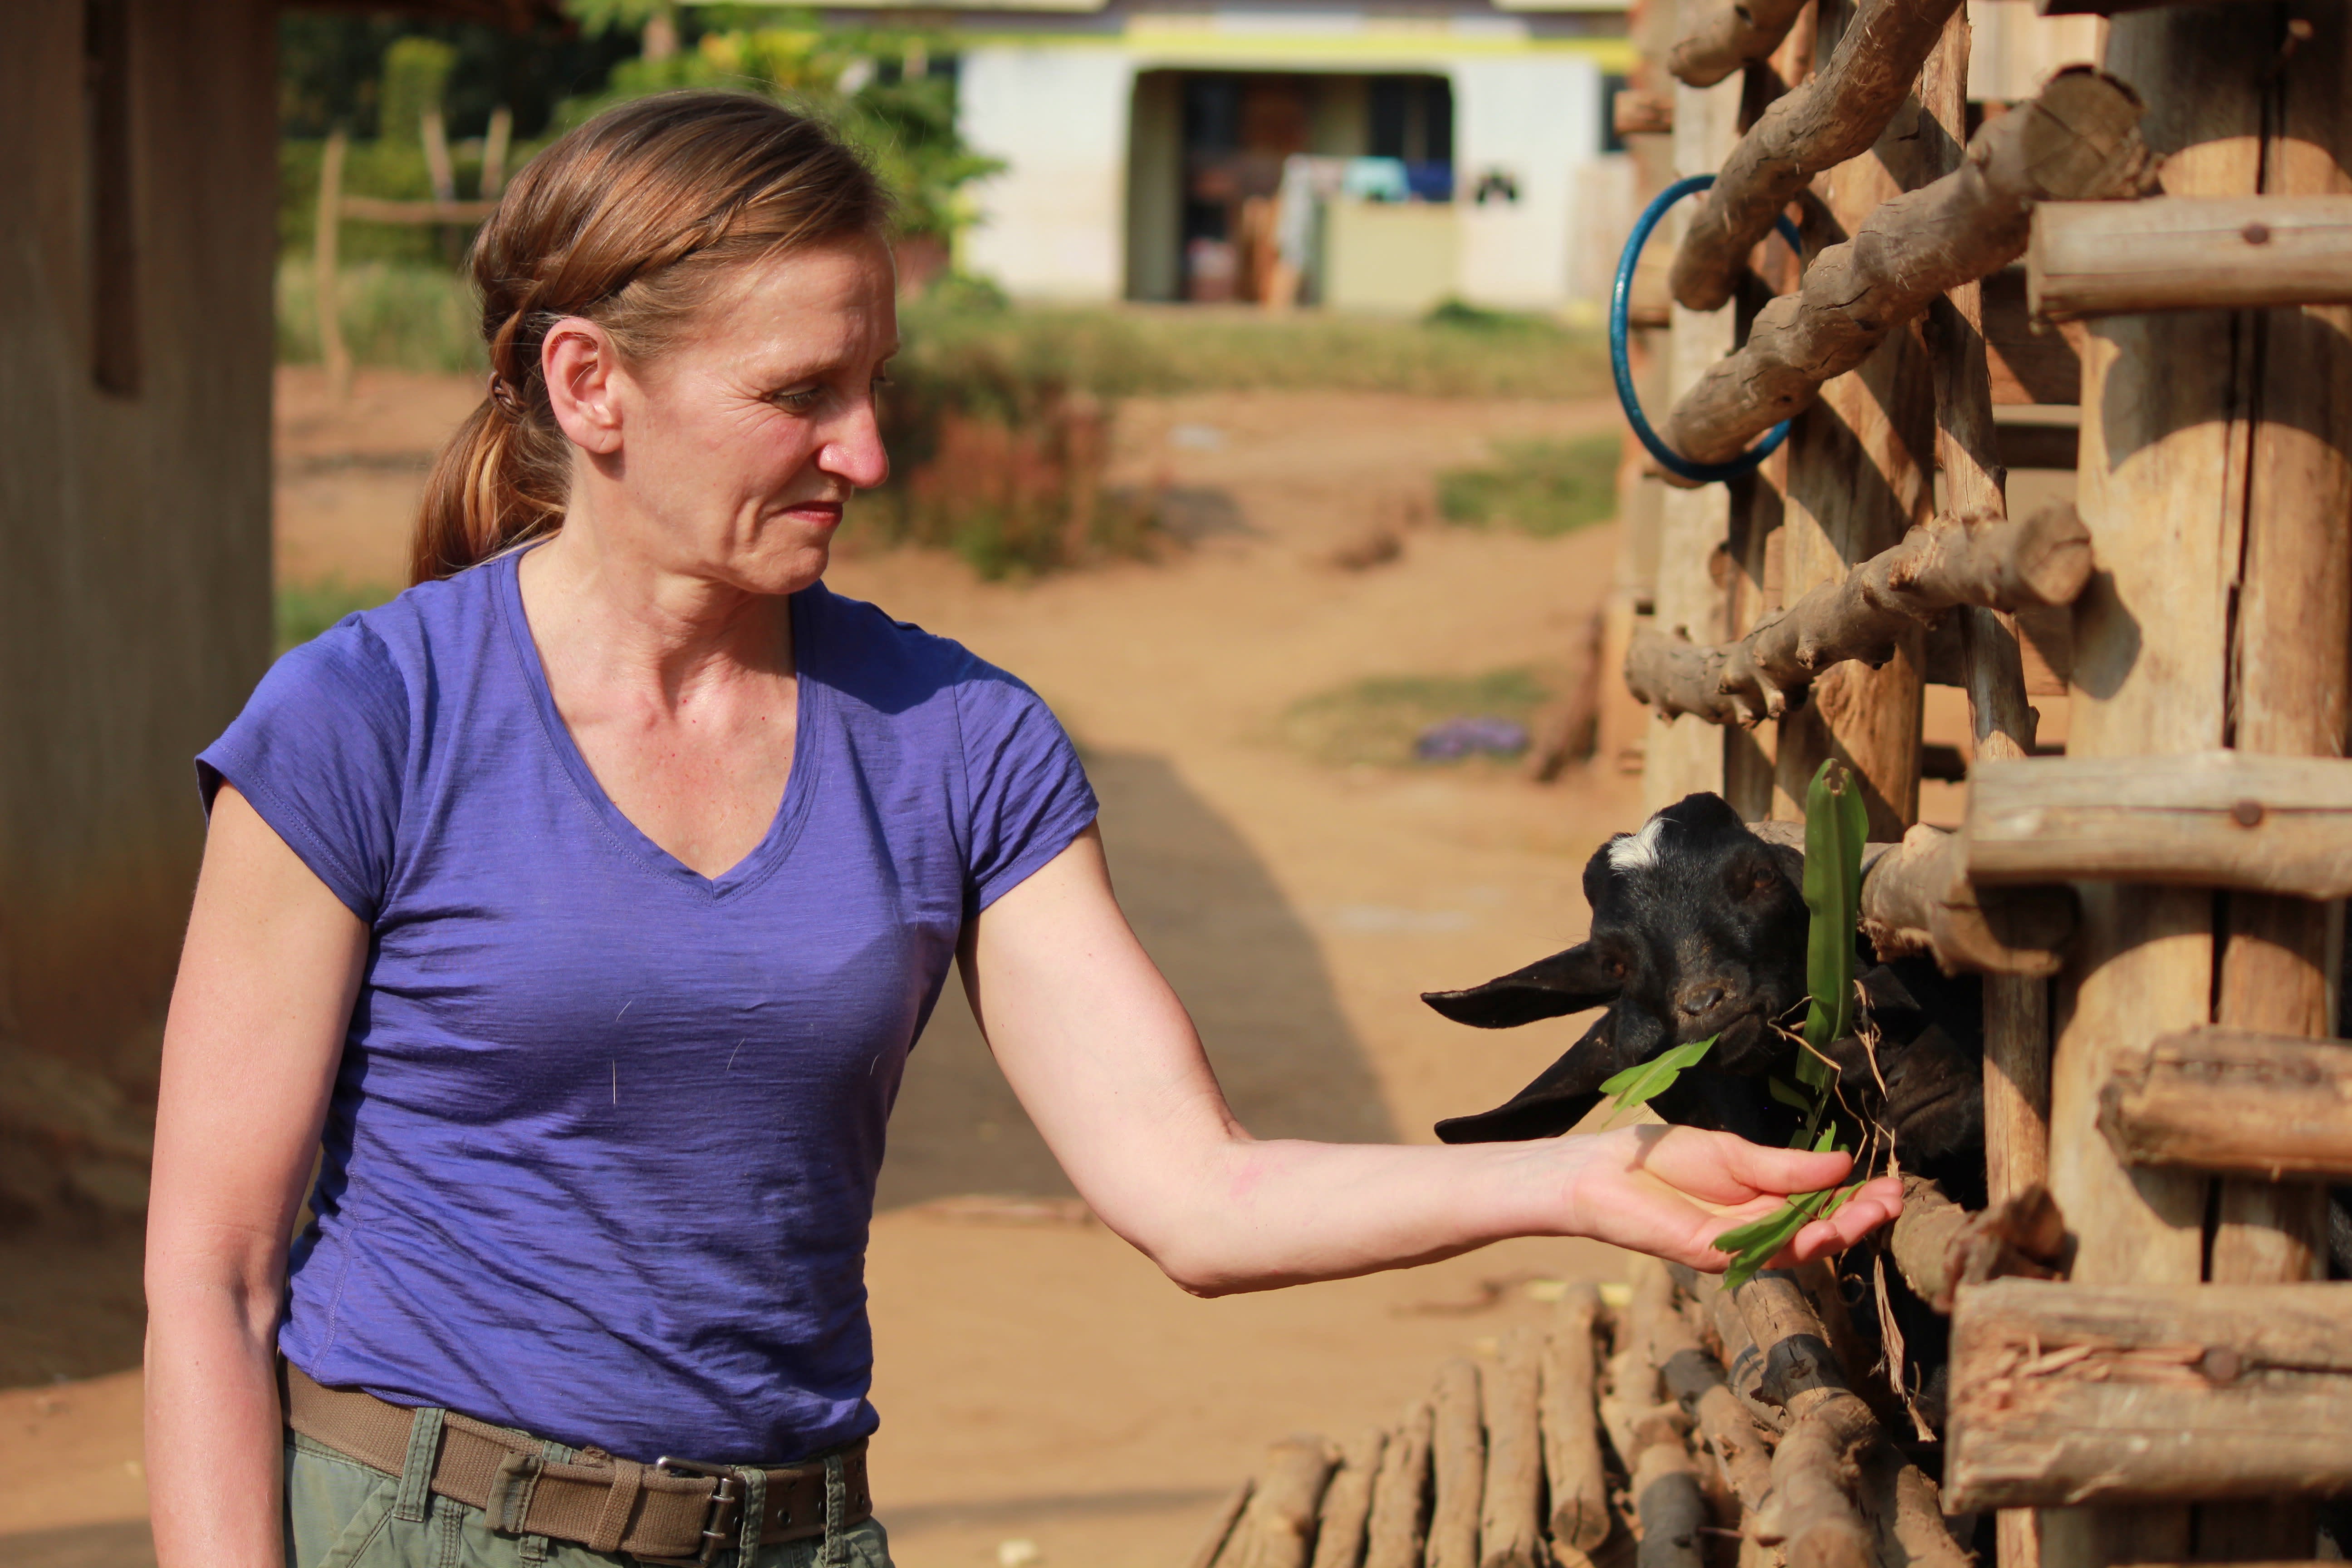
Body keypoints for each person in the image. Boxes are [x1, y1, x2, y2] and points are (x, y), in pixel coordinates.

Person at [143, 93, 1902, 1568]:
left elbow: (1195, 1189)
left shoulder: (955, 745)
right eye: (801, 396)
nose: (871, 451)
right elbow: (213, 1279)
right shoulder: (365, 721)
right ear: (589, 386)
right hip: (418, 1523)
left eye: (877, 382)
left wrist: (1587, 1179)